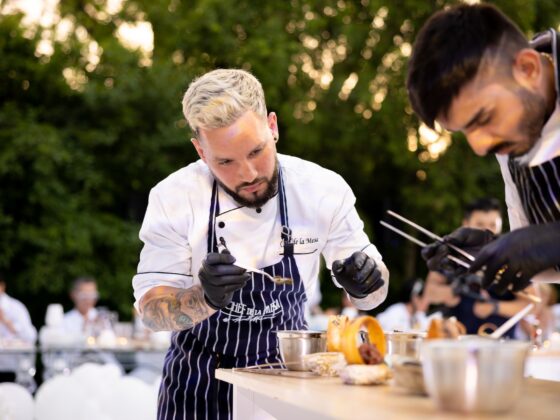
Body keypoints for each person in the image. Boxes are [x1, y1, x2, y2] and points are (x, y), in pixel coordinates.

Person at [132, 69, 389, 419]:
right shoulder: (174, 198)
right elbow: (151, 311)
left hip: (288, 381)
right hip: (198, 384)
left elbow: (375, 294)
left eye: (256, 151)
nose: (248, 174)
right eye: (226, 161)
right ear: (201, 152)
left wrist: (366, 283)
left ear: (273, 126)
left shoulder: (322, 190)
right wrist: (204, 298)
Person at [407, 3, 560, 293]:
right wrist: (496, 249)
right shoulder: (512, 141)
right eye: (464, 130)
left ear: (527, 69)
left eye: (484, 118)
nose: (480, 146)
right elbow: (548, 261)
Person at [422, 198, 529, 337]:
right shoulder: (452, 253)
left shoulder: (511, 255)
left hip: (502, 344)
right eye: (480, 224)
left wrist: (494, 307)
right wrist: (453, 290)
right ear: (465, 224)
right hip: (457, 341)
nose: (486, 230)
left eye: (493, 225)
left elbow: (531, 303)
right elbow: (429, 293)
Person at [0, 273, 36, 344]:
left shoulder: (16, 307)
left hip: (11, 354)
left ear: (2, 286)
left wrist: (6, 321)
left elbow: (31, 336)